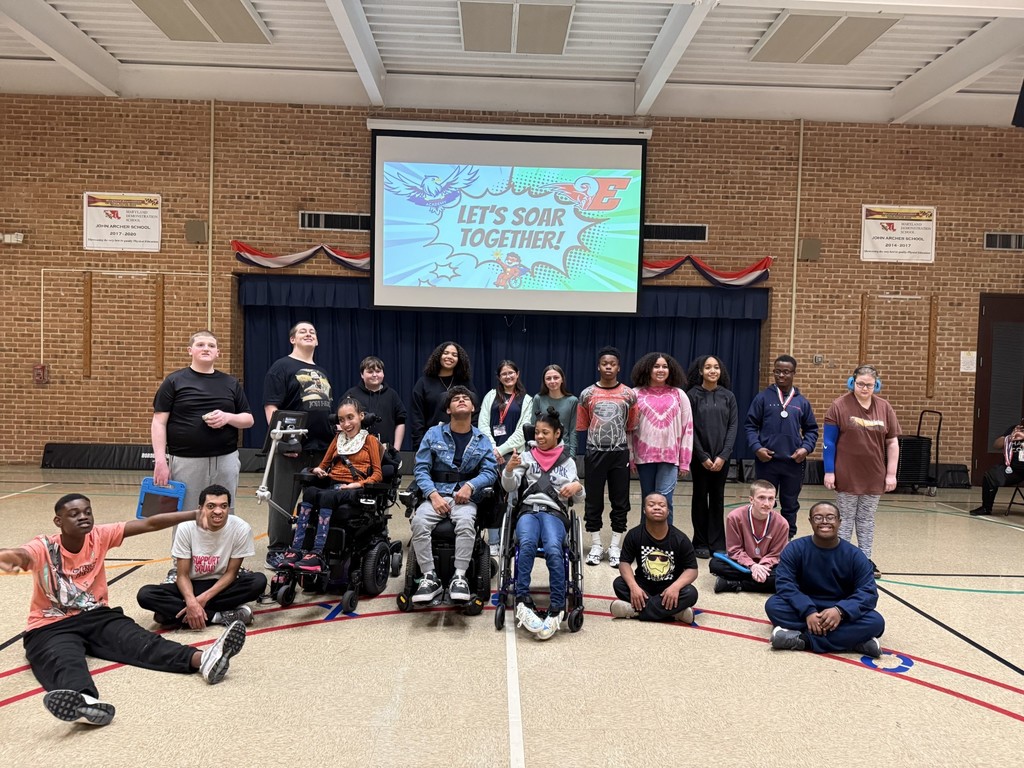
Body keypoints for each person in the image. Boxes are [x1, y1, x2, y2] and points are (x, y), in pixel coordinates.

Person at [0, 493, 247, 727]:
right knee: (64, 659)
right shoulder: (44, 546)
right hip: (50, 626)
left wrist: (194, 514)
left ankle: (204, 659)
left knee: (141, 641)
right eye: (74, 514)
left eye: (87, 512)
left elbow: (149, 524)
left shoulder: (99, 535)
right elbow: (21, 555)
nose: (83, 517)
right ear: (58, 521)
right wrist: (8, 556)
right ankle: (85, 702)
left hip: (97, 615)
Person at [500, 408, 585, 641]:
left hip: (554, 513)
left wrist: (577, 487)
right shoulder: (526, 457)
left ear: (557, 433)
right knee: (526, 544)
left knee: (554, 549)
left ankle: (557, 607)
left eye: (545, 432)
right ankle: (522, 601)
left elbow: (579, 496)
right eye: (537, 432)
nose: (539, 436)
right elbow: (509, 487)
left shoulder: (568, 462)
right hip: (528, 511)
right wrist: (509, 469)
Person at [410, 386, 498, 604]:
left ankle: (460, 577)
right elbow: (421, 469)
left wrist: (471, 486)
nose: (461, 400)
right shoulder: (433, 434)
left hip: (465, 497)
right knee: (418, 522)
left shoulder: (482, 439)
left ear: (473, 408)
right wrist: (432, 495)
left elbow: (490, 471)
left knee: (466, 523)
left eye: (465, 398)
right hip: (436, 493)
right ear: (448, 409)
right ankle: (429, 577)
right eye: (455, 399)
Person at [764, 501, 885, 658]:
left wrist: (840, 611)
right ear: (810, 521)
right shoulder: (795, 549)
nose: (824, 522)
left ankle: (804, 640)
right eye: (818, 517)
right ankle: (854, 641)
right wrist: (808, 611)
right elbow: (785, 584)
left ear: (839, 522)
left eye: (830, 517)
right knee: (773, 606)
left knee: (876, 622)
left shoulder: (855, 555)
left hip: (839, 609)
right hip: (805, 605)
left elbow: (868, 592)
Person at [151, 330, 254, 512]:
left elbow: (248, 419)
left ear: (217, 353)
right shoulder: (174, 381)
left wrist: (228, 417)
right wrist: (160, 461)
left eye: (211, 346)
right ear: (190, 350)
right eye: (200, 345)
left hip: (225, 460)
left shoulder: (230, 383)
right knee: (186, 516)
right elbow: (159, 422)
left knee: (223, 514)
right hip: (186, 462)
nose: (206, 348)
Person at [137, 484, 266, 628]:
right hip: (192, 584)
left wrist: (203, 599)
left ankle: (173, 614)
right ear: (200, 509)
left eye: (223, 506)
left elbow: (231, 573)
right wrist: (191, 601)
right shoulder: (186, 527)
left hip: (222, 585)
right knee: (145, 595)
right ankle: (219, 616)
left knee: (258, 581)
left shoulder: (241, 528)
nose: (218, 511)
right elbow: (182, 576)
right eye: (211, 506)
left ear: (228, 508)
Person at [279, 398, 383, 572]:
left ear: (361, 416)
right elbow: (323, 465)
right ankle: (296, 549)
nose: (346, 424)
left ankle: (317, 553)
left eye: (350, 418)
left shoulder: (370, 440)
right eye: (341, 420)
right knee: (310, 492)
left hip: (355, 489)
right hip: (333, 485)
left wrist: (357, 485)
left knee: (326, 496)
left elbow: (377, 475)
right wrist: (317, 470)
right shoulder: (337, 439)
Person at [263, 321, 335, 569]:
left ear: (317, 341)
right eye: (302, 331)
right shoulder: (281, 367)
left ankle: (308, 546)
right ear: (292, 339)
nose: (308, 333)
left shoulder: (322, 371)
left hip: (322, 447)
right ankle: (277, 550)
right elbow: (271, 407)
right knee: (283, 500)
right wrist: (282, 441)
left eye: (312, 331)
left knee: (317, 500)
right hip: (292, 448)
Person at [823, 365, 900, 578]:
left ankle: (864, 560)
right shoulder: (839, 406)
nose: (864, 388)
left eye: (869, 385)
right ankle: (842, 561)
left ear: (876, 385)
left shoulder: (885, 407)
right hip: (846, 474)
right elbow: (828, 442)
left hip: (874, 475)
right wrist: (829, 471)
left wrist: (891, 474)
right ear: (852, 383)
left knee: (866, 520)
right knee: (845, 520)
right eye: (860, 384)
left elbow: (892, 443)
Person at [744, 354, 819, 539]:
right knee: (764, 503)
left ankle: (787, 538)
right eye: (777, 371)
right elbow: (750, 426)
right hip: (767, 461)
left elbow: (811, 430)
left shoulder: (801, 402)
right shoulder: (762, 398)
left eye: (786, 372)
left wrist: (806, 448)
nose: (781, 375)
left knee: (790, 504)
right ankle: (763, 538)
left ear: (794, 373)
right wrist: (757, 447)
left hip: (793, 462)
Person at [577, 346, 638, 567]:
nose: (608, 367)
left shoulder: (629, 395)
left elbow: (631, 425)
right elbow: (583, 424)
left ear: (618, 367)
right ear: (598, 367)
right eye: (605, 364)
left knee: (620, 500)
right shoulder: (587, 394)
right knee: (593, 500)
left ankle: (615, 546)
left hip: (619, 453)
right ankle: (595, 544)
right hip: (594, 452)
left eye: (612, 364)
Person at [609, 493, 699, 623]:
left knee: (691, 593)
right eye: (651, 505)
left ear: (668, 511)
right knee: (619, 583)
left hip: (669, 588)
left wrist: (675, 587)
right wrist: (634, 587)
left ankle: (635, 611)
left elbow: (692, 570)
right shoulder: (634, 535)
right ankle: (675, 613)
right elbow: (624, 563)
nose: (657, 507)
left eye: (662, 505)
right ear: (644, 510)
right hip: (643, 586)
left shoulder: (680, 539)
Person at [630, 352, 693, 526]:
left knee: (665, 501)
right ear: (647, 369)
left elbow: (687, 428)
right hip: (644, 457)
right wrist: (631, 456)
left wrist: (685, 460)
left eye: (664, 366)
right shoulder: (635, 394)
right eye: (656, 366)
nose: (661, 370)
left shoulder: (679, 394)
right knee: (648, 501)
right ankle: (645, 539)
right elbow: (629, 429)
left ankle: (667, 539)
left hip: (670, 458)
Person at [479, 360, 534, 555]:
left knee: (512, 497)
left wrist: (501, 451)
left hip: (514, 455)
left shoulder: (527, 400)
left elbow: (523, 430)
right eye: (504, 374)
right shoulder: (490, 396)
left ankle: (510, 539)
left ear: (517, 374)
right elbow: (483, 424)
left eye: (511, 373)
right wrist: (493, 450)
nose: (508, 376)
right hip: (490, 454)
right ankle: (494, 541)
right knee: (492, 497)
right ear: (499, 377)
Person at [686, 354, 738, 559]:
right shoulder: (692, 396)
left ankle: (717, 542)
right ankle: (700, 541)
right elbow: (690, 428)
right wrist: (702, 456)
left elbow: (733, 427)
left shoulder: (728, 396)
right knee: (700, 497)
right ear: (701, 371)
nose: (712, 371)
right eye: (708, 367)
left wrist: (724, 456)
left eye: (716, 367)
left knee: (717, 498)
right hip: (700, 458)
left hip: (721, 459)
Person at [710, 479, 789, 593]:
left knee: (788, 574)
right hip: (742, 563)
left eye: (771, 498)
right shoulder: (735, 517)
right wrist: (752, 565)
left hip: (768, 565)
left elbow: (776, 554)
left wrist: (762, 566)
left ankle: (736, 584)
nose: (767, 503)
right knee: (715, 564)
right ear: (751, 499)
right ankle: (762, 584)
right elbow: (734, 550)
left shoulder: (782, 523)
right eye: (761, 498)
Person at [408, 341, 474, 450]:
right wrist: (420, 446)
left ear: (459, 360)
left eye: (454, 355)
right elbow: (417, 418)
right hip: (431, 443)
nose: (449, 357)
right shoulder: (423, 383)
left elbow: (474, 413)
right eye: (445, 353)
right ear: (438, 356)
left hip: (462, 443)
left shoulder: (465, 383)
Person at [342, 355, 407, 449]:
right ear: (362, 374)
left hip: (386, 452)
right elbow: (341, 422)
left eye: (378, 371)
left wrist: (396, 449)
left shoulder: (392, 395)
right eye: (370, 372)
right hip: (357, 451)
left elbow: (400, 422)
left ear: (383, 374)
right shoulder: (351, 395)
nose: (375, 375)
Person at [970, 419, 1024, 516]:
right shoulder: (1014, 429)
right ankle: (986, 508)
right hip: (1012, 470)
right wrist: (1009, 437)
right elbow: (996, 445)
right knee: (990, 475)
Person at [529, 364, 578, 459]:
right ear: (544, 381)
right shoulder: (538, 398)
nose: (552, 381)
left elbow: (573, 431)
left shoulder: (573, 401)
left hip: (563, 451)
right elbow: (533, 426)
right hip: (542, 450)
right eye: (548, 378)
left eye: (556, 378)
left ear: (562, 379)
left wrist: (572, 455)